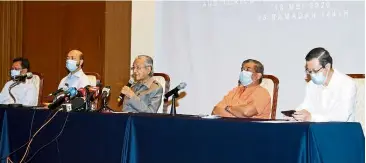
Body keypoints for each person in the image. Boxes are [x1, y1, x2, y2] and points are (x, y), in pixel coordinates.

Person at [285, 47, 356, 122]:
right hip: (318, 130)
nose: (312, 75)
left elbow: (341, 116)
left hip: (341, 131)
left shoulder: (347, 84)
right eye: (309, 71)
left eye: (315, 71)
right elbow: (306, 106)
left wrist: (311, 117)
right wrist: (295, 115)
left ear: (327, 67)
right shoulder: (311, 85)